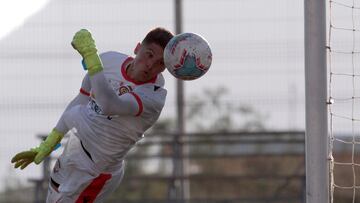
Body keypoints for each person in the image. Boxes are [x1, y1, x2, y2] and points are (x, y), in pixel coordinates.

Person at [11, 27, 174, 202]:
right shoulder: (109, 60)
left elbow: (109, 105)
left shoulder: (154, 95)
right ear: (137, 48)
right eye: (149, 55)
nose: (151, 65)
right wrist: (49, 144)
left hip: (96, 170)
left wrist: (91, 57)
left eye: (160, 63)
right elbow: (79, 103)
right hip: (72, 151)